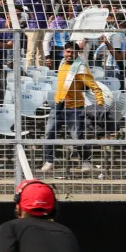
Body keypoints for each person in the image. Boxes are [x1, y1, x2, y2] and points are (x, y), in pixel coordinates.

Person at [40, 42, 105, 174]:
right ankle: (49, 161)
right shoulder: (62, 63)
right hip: (58, 105)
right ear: (64, 52)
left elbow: (94, 86)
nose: (70, 54)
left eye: (73, 52)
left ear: (77, 53)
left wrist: (99, 103)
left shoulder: (80, 68)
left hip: (74, 107)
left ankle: (86, 162)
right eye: (68, 52)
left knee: (77, 136)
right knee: (49, 133)